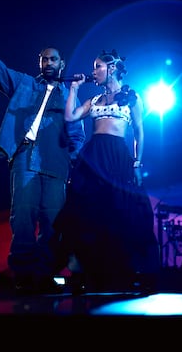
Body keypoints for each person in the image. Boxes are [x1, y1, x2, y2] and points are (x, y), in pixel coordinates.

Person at [0, 33, 85, 293]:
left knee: (52, 222)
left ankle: (44, 276)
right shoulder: (25, 85)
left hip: (55, 163)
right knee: (22, 217)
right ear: (39, 63)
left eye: (53, 59)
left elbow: (76, 134)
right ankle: (23, 275)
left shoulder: (70, 96)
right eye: (44, 59)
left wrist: (74, 161)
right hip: (25, 157)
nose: (48, 63)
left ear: (61, 63)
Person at [52, 49, 159, 292]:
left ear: (111, 68)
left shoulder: (132, 97)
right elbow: (70, 116)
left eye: (97, 66)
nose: (93, 71)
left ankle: (130, 271)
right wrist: (76, 89)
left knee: (122, 212)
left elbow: (140, 133)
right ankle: (81, 273)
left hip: (118, 158)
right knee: (85, 213)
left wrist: (137, 163)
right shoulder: (94, 100)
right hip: (93, 157)